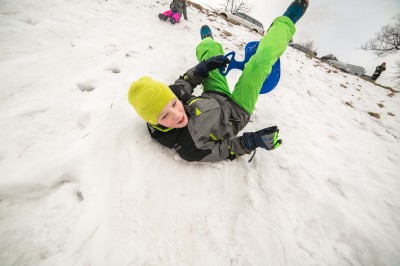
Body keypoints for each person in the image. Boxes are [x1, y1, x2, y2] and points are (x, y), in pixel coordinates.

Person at [129, 0, 310, 162]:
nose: (176, 114)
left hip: (214, 94)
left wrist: (204, 68)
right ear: (155, 122)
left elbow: (187, 80)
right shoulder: (188, 147)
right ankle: (285, 23)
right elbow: (225, 150)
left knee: (211, 57)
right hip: (237, 112)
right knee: (259, 64)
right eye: (165, 116)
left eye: (174, 104)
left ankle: (208, 41)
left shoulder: (171, 95)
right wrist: (252, 141)